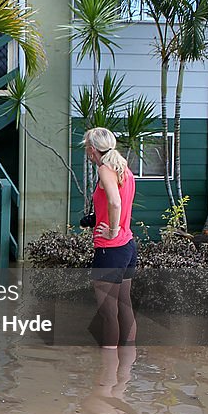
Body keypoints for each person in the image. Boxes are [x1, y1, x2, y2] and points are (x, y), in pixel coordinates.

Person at [84, 127, 137, 349]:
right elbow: (114, 203)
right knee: (125, 306)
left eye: (87, 146)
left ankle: (107, 373)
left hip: (111, 248)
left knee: (108, 312)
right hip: (128, 245)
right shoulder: (124, 168)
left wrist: (112, 230)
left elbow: (115, 202)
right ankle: (125, 370)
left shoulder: (106, 169)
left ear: (92, 149)